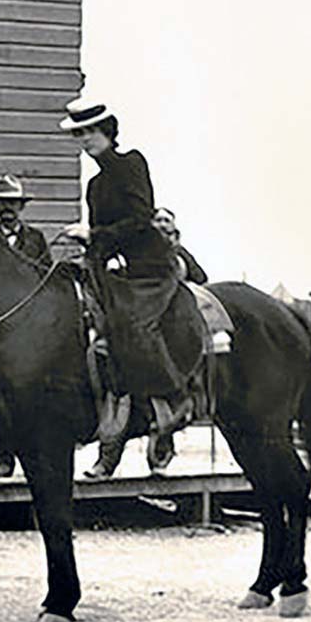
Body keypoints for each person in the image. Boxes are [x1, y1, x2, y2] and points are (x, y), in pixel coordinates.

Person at [59, 99, 203, 478]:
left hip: (150, 268)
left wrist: (97, 234)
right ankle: (109, 437)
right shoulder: (94, 184)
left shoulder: (132, 164)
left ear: (108, 132)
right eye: (79, 135)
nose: (84, 141)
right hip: (115, 271)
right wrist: (91, 250)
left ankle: (177, 397)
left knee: (134, 329)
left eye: (89, 132)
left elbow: (141, 218)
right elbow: (102, 239)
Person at [0, 173, 48, 479]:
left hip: (30, 330)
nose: (7, 209)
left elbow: (46, 278)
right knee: (0, 396)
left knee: (33, 397)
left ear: (21, 207)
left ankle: (33, 460)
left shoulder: (36, 239)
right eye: (2, 204)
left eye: (12, 203)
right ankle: (4, 460)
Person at [152, 207, 208, 284]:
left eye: (167, 221)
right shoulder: (142, 250)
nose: (163, 224)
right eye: (158, 220)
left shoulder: (181, 252)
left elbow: (200, 278)